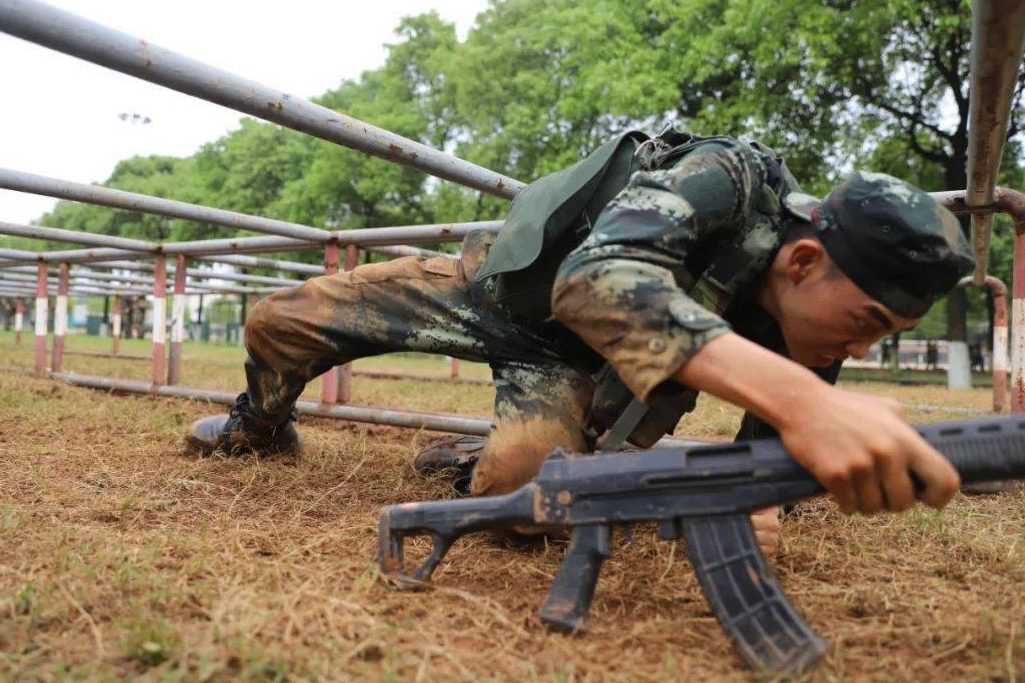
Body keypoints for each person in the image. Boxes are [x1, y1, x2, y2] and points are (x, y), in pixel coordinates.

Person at [184, 128, 973, 557]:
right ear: (805, 261)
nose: (860, 350)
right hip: (494, 291)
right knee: (275, 322)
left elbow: (766, 471)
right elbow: (592, 281)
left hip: (566, 366)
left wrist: (745, 501)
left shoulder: (816, 335)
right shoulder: (726, 178)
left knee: (525, 501)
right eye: (869, 322)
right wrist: (801, 402)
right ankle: (261, 426)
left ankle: (478, 462)